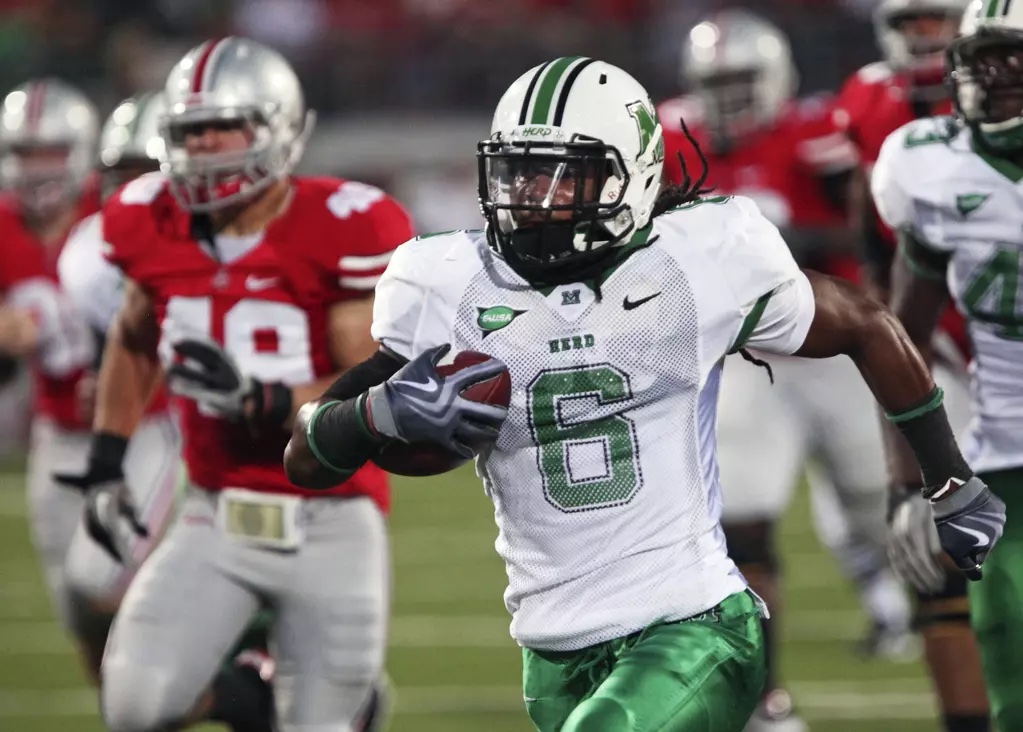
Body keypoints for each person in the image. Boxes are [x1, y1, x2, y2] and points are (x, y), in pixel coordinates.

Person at [285, 56, 1004, 732]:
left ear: (630, 178)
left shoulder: (698, 257)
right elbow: (306, 455)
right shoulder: (441, 282)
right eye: (518, 176)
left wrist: (947, 477)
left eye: (563, 179)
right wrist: (375, 415)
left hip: (692, 623)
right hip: (550, 646)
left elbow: (867, 323)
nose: (532, 201)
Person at [77, 36, 412, 731]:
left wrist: (270, 401)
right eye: (188, 132)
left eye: (219, 128)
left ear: (278, 126)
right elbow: (135, 337)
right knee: (134, 706)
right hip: (215, 510)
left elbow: (374, 378)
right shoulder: (149, 220)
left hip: (330, 517)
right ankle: (249, 697)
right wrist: (106, 462)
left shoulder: (341, 225)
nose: (202, 149)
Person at [663, 10, 907, 728]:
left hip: (829, 350)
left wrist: (786, 238)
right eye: (717, 82)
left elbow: (871, 231)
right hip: (740, 358)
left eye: (742, 79)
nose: (731, 94)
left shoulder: (814, 130)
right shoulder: (671, 134)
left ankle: (941, 633)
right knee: (738, 526)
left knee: (885, 511)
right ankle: (762, 696)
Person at [872, 2, 1023, 728]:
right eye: (979, 57)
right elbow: (899, 338)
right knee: (1009, 671)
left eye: (1010, 57)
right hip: (1006, 463)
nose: (988, 75)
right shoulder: (930, 165)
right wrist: (908, 481)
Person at [0, 77, 170, 684]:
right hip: (56, 432)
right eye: (23, 153)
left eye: (48, 151)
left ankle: (229, 659)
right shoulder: (2, 228)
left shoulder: (119, 214)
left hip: (139, 424)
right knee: (78, 611)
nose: (36, 168)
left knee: (98, 581)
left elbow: (180, 313)